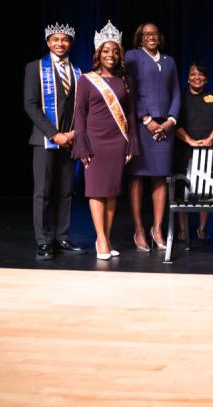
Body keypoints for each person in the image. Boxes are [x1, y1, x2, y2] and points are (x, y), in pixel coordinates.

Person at [72, 21, 138, 260]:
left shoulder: (124, 81)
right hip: (95, 141)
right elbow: (79, 114)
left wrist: (132, 141)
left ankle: (107, 238)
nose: (111, 55)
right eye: (106, 51)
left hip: (117, 140)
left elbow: (130, 114)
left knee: (112, 192)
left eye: (115, 51)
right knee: (96, 191)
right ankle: (100, 238)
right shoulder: (86, 80)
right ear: (98, 54)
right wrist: (81, 144)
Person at [23, 22, 85, 260]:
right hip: (45, 140)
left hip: (70, 140)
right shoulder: (35, 68)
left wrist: (72, 134)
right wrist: (54, 134)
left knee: (66, 191)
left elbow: (82, 108)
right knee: (43, 192)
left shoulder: (78, 72)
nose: (60, 43)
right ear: (48, 42)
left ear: (70, 43)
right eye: (55, 39)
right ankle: (44, 241)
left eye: (65, 40)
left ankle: (63, 236)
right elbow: (31, 105)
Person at [125, 22, 181, 252]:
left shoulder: (169, 61)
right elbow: (129, 90)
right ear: (139, 38)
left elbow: (176, 91)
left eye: (154, 34)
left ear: (160, 37)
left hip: (165, 128)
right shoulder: (133, 56)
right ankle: (139, 229)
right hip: (142, 126)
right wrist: (146, 120)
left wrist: (170, 121)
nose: (151, 37)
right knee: (137, 177)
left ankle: (157, 228)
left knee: (160, 177)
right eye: (146, 34)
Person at [175, 62, 213, 243]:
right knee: (181, 191)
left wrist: (209, 141)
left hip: (208, 151)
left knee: (206, 191)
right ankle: (182, 230)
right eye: (193, 74)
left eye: (201, 74)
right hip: (184, 150)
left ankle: (202, 228)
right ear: (188, 77)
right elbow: (175, 123)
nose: (197, 77)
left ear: (206, 79)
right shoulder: (179, 96)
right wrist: (189, 140)